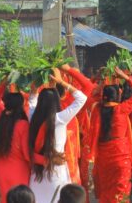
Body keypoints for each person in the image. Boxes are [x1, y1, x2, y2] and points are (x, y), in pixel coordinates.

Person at [28, 68, 88, 203]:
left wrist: (35, 87)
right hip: (56, 172)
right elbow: (82, 98)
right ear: (57, 102)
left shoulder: (33, 117)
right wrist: (61, 82)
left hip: (37, 174)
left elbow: (32, 100)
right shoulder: (59, 119)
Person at [91, 68, 132, 203]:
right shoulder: (121, 109)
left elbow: (92, 94)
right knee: (121, 193)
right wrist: (125, 77)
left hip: (103, 159)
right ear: (117, 97)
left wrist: (103, 81)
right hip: (121, 158)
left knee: (106, 192)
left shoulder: (97, 110)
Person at [0, 90, 31, 200]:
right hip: (19, 171)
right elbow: (27, 155)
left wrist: (3, 83)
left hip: (0, 170)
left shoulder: (0, 119)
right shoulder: (23, 125)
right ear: (20, 106)